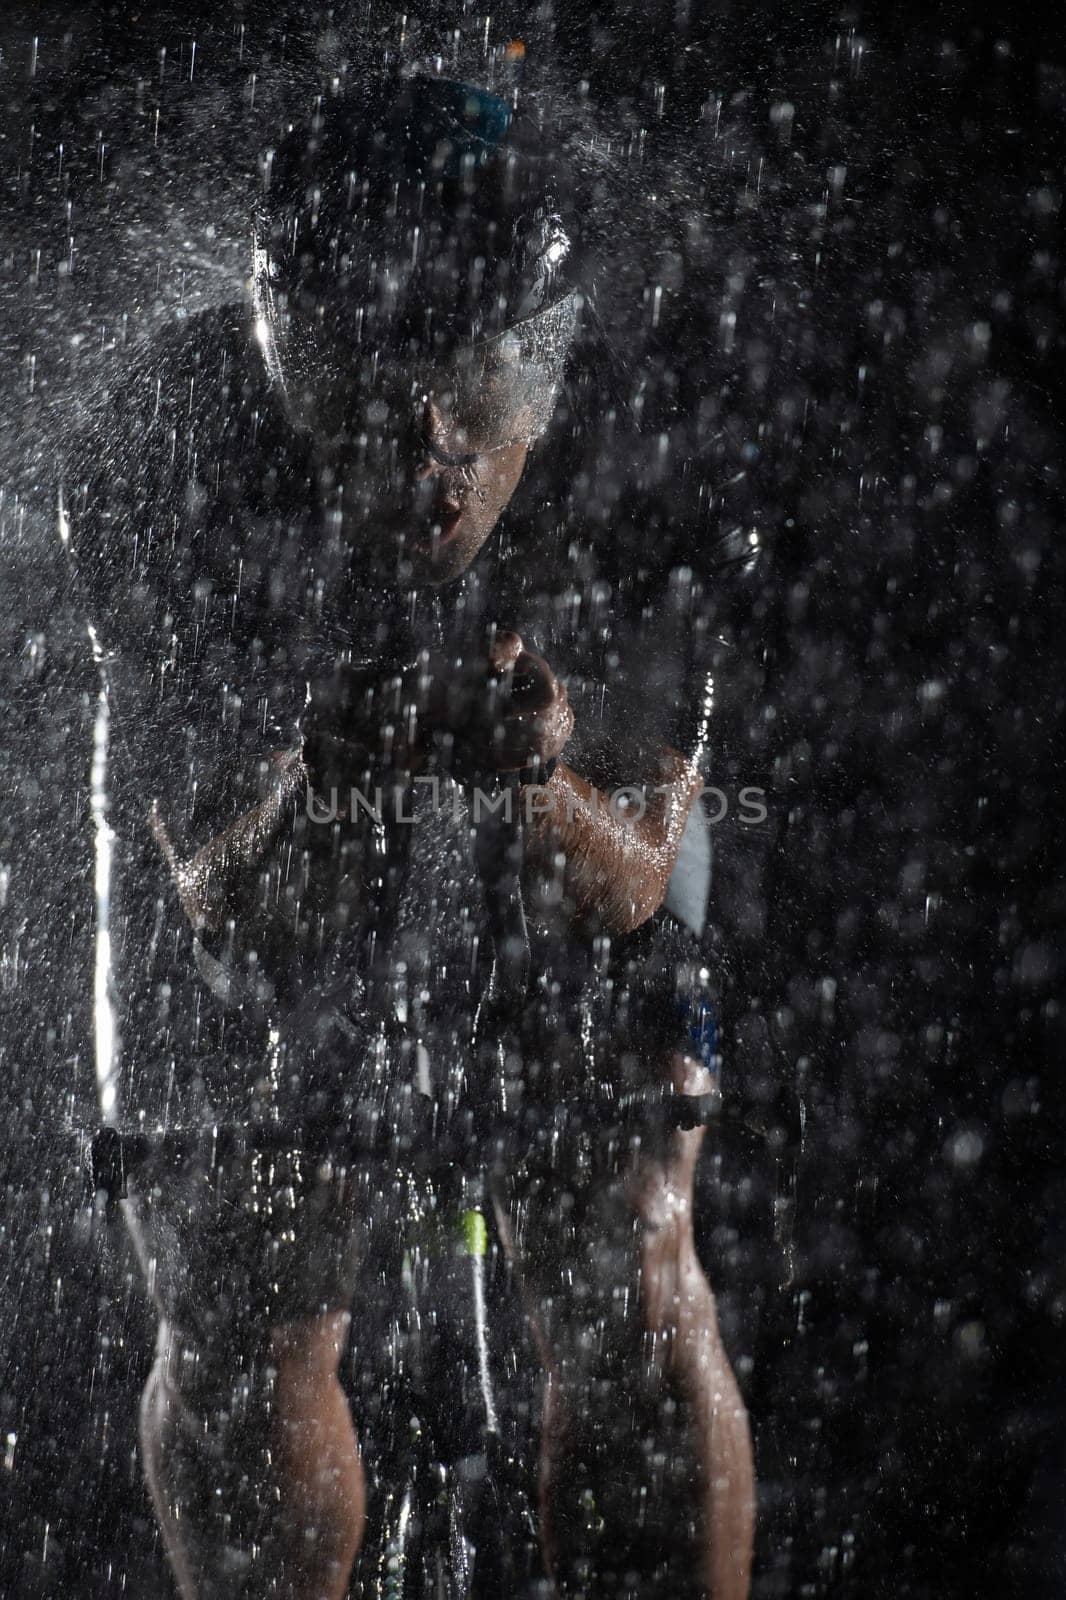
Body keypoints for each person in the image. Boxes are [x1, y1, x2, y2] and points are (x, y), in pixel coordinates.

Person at [64, 58, 755, 1600]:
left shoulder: (660, 452)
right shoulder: (169, 448)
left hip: (542, 808)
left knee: (630, 1255)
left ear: (554, 362)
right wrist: (333, 771)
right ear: (274, 344)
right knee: (244, 1272)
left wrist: (525, 779)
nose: (422, 444)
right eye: (363, 383)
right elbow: (223, 905)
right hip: (266, 819)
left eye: (466, 381)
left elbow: (635, 883)